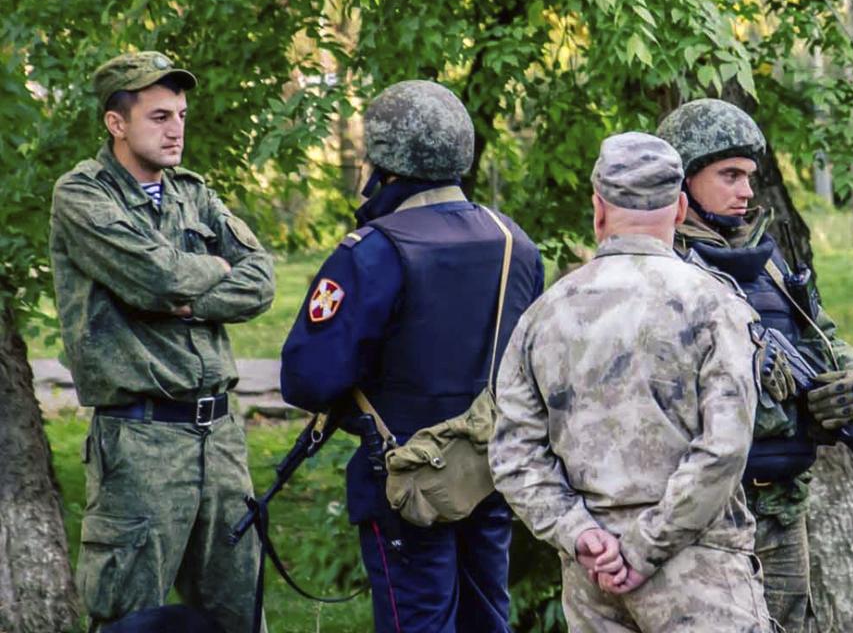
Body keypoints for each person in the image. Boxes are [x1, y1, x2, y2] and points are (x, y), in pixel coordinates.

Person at [280, 80, 543, 633]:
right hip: (489, 469)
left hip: (404, 480)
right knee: (487, 617)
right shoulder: (513, 241)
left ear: (384, 165)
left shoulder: (372, 251)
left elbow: (306, 378)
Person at [490, 132, 772, 632]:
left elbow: (514, 453)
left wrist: (579, 534)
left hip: (592, 579)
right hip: (697, 574)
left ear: (598, 208)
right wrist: (645, 547)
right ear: (681, 208)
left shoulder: (544, 315)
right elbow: (724, 448)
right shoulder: (714, 307)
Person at [50, 51, 275, 632]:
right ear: (116, 123)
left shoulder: (194, 194)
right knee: (131, 615)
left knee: (238, 612)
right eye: (158, 117)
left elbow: (261, 282)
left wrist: (180, 294)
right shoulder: (82, 195)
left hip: (221, 440)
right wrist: (205, 273)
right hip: (141, 441)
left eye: (180, 114)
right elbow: (156, 276)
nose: (176, 129)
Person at [656, 98, 853, 632]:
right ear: (683, 183)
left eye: (750, 176)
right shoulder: (660, 271)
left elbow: (827, 337)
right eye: (729, 175)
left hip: (781, 512)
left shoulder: (768, 263)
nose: (747, 191)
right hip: (704, 521)